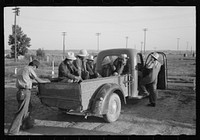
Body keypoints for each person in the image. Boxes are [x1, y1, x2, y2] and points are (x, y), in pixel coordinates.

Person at [7, 60, 50, 135]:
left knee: (29, 108)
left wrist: (32, 84)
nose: (35, 70)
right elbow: (38, 80)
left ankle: (26, 125)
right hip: (25, 92)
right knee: (21, 112)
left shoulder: (22, 69)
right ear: (34, 66)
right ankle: (12, 131)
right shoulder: (30, 69)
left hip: (20, 92)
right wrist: (47, 82)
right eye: (36, 68)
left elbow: (26, 81)